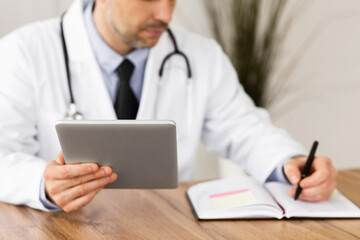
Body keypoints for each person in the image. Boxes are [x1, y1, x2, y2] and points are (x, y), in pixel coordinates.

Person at [0, 0, 337, 212]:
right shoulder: (24, 52)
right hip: (64, 228)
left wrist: (290, 163)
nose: (165, 14)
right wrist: (43, 184)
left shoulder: (200, 55)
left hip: (166, 223)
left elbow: (245, 129)